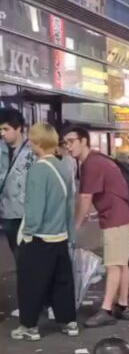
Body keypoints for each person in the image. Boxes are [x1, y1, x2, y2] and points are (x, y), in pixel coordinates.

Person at [64, 126, 129, 326]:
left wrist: (75, 226)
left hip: (117, 219)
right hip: (124, 216)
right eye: (65, 142)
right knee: (121, 262)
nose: (68, 146)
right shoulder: (97, 159)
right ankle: (123, 305)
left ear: (84, 141)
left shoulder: (91, 164)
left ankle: (106, 309)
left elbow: (85, 198)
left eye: (71, 141)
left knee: (113, 264)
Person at [11, 124, 77, 342]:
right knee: (62, 282)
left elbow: (35, 208)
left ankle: (29, 327)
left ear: (38, 143)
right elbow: (69, 205)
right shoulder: (63, 167)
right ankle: (69, 322)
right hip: (60, 235)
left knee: (31, 283)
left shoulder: (39, 170)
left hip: (40, 237)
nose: (29, 143)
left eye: (31, 139)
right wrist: (71, 235)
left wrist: (28, 233)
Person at [0, 108, 35, 260]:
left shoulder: (33, 150)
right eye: (0, 129)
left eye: (6, 129)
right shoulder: (1, 149)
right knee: (18, 256)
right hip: (7, 213)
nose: (2, 133)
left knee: (29, 258)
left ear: (18, 128)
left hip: (27, 215)